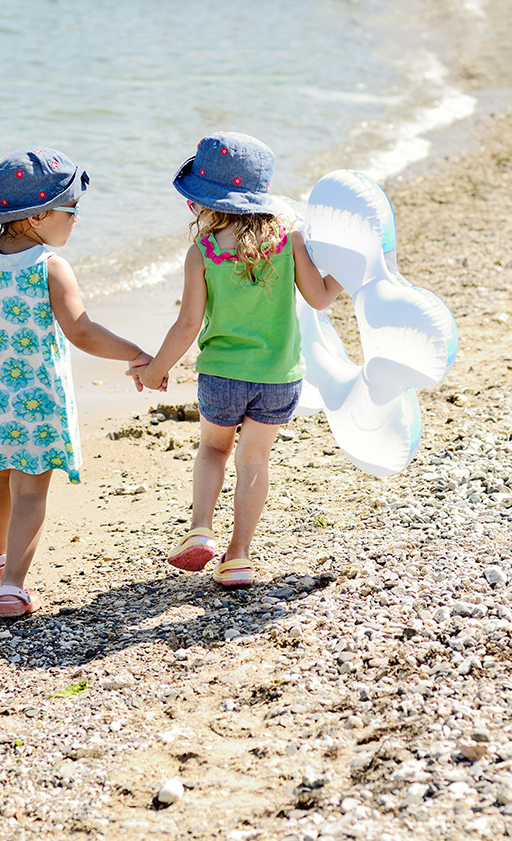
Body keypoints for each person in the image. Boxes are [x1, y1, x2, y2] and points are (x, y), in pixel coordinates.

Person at [0, 147, 151, 617]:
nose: (76, 219)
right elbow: (81, 330)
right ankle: (11, 588)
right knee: (31, 491)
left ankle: (0, 559)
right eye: (72, 210)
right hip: (38, 400)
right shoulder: (48, 266)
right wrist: (136, 353)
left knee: (0, 474)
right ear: (40, 216)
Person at [132, 132, 341, 588]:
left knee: (213, 449)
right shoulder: (290, 241)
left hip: (222, 376)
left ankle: (201, 530)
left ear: (204, 204)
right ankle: (239, 557)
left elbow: (186, 326)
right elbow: (322, 298)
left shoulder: (202, 253)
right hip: (278, 377)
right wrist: (348, 268)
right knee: (254, 461)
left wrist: (153, 371)